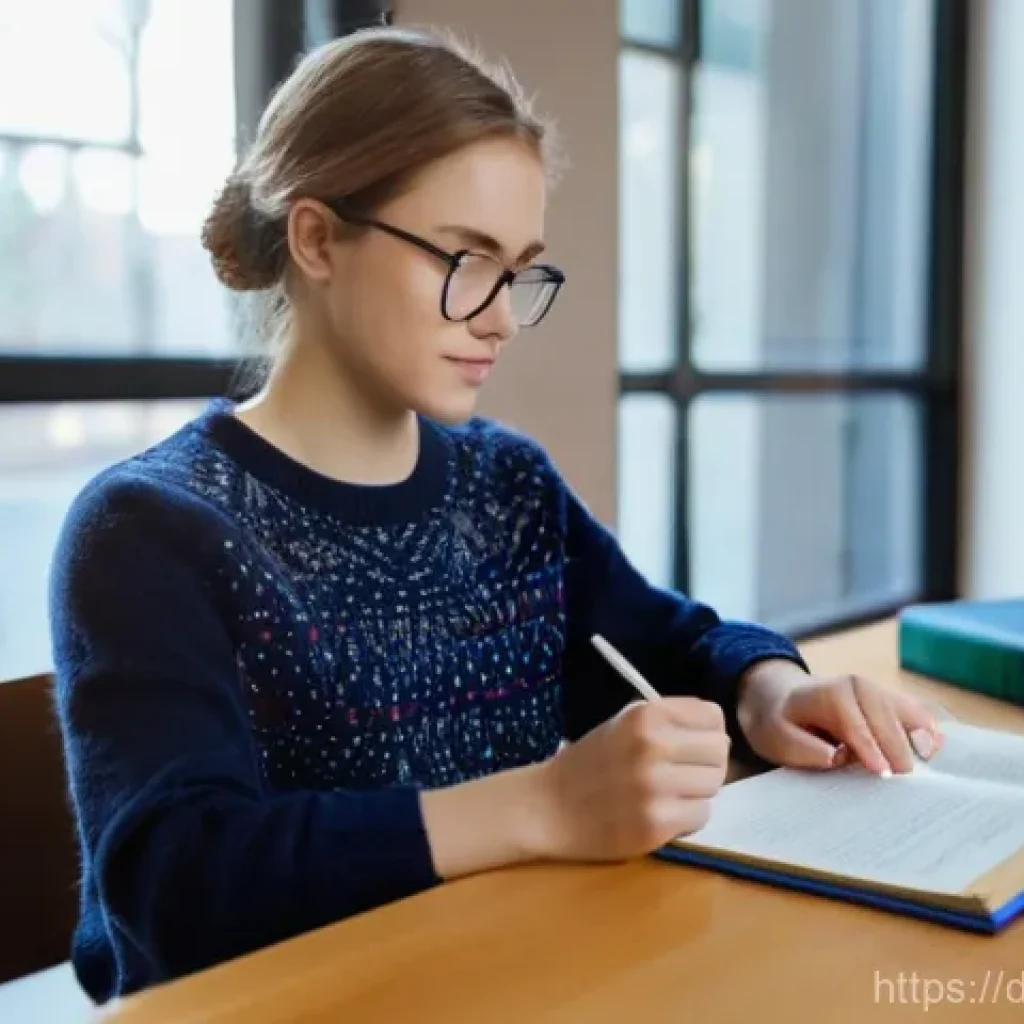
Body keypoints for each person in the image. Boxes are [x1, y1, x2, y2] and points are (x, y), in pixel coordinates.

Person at [49, 25, 943, 1005]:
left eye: (517, 269)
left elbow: (666, 643)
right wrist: (542, 804)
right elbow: (173, 886)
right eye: (464, 258)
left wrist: (767, 690)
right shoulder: (148, 529)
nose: (502, 316)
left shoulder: (503, 486)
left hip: (507, 981)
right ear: (316, 239)